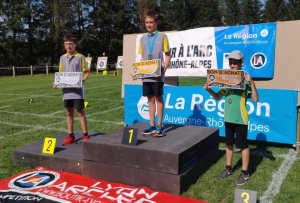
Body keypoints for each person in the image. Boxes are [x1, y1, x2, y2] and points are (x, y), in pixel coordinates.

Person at [204, 50, 259, 185]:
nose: (232, 65)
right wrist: (209, 89)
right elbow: (218, 97)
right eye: (230, 63)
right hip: (228, 117)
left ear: (242, 63)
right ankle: (228, 168)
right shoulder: (226, 80)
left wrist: (252, 83)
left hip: (240, 118)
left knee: (243, 146)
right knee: (229, 144)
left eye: (235, 63)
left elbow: (256, 99)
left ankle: (245, 173)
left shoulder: (246, 81)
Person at [134, 10, 171, 137]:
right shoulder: (143, 39)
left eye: (151, 22)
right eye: (146, 22)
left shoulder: (162, 37)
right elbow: (143, 58)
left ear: (157, 22)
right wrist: (137, 72)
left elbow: (168, 56)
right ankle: (152, 124)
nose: (149, 25)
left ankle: (160, 125)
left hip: (157, 75)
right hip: (146, 75)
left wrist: (163, 71)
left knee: (158, 98)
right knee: (150, 99)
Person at [53, 34, 90, 146]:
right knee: (69, 112)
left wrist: (82, 82)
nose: (69, 46)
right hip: (66, 91)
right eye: (67, 44)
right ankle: (71, 135)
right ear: (64, 45)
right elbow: (60, 73)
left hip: (77, 91)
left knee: (80, 112)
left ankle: (85, 135)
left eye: (71, 44)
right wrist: (56, 82)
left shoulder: (81, 57)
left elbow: (87, 72)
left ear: (75, 45)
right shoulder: (62, 58)